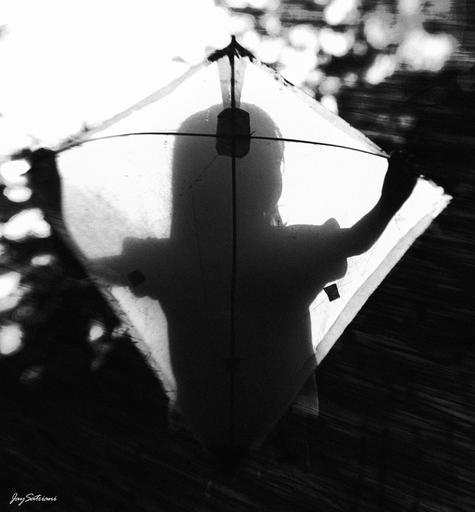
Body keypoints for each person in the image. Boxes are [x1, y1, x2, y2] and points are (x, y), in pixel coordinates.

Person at [27, 104, 418, 456]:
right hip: (280, 415)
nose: (258, 176)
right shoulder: (291, 248)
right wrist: (389, 201)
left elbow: (88, 268)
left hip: (211, 421)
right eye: (268, 164)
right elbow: (355, 241)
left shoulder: (169, 259)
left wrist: (54, 206)